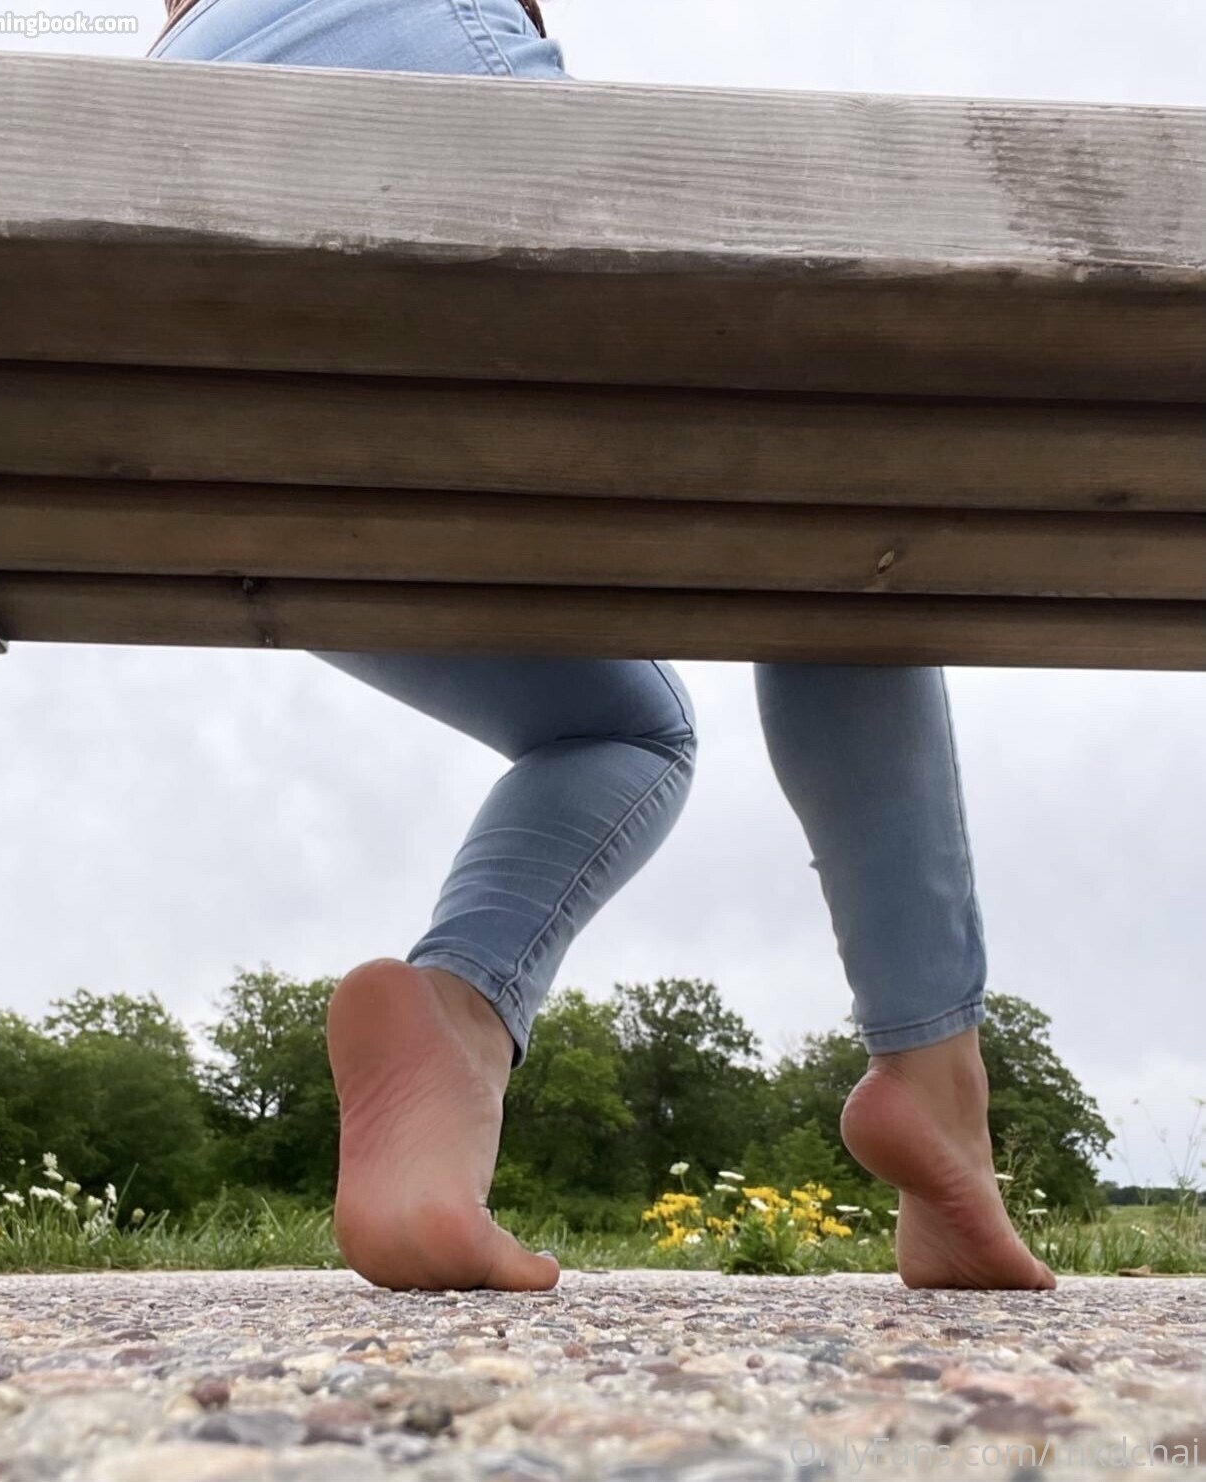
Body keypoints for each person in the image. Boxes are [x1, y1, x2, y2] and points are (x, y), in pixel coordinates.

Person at [147, 0, 1054, 1295]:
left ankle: (458, 1021)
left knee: (620, 730)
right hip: (404, 139)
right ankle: (933, 1071)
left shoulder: (174, 65)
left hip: (202, 465)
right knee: (836, 491)